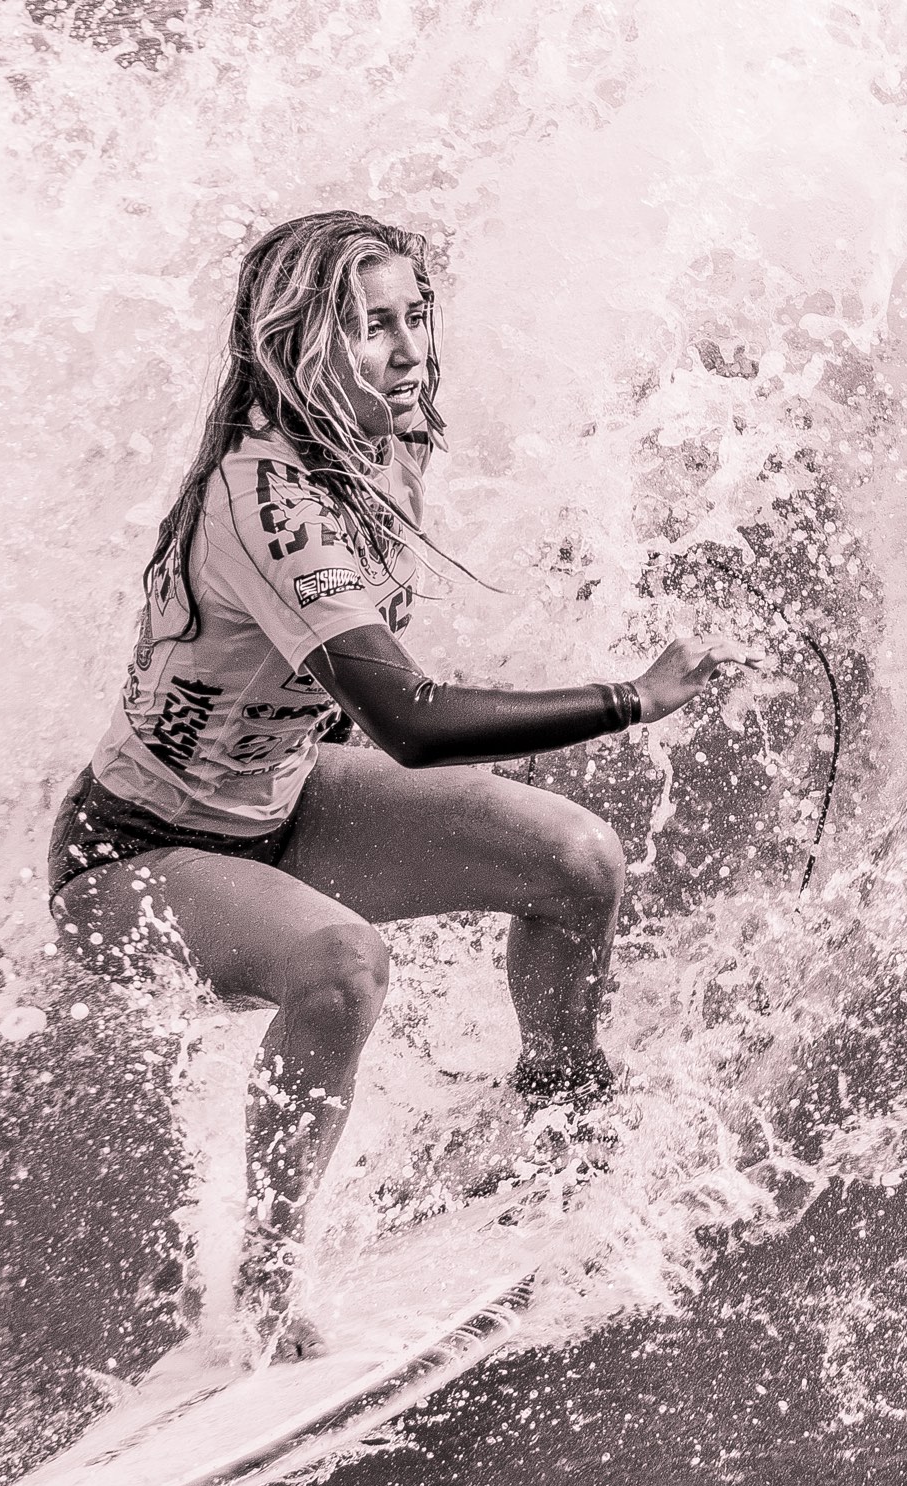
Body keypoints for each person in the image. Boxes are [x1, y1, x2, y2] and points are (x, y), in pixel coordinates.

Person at [47, 210, 753, 1367]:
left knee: (574, 860)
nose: (409, 347)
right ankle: (265, 1289)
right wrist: (632, 696)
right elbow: (412, 721)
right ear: (297, 347)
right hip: (132, 859)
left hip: (277, 808)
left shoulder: (383, 451)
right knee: (340, 964)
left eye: (415, 315)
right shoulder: (261, 499)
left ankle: (562, 1118)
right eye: (371, 327)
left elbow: (326, 704)